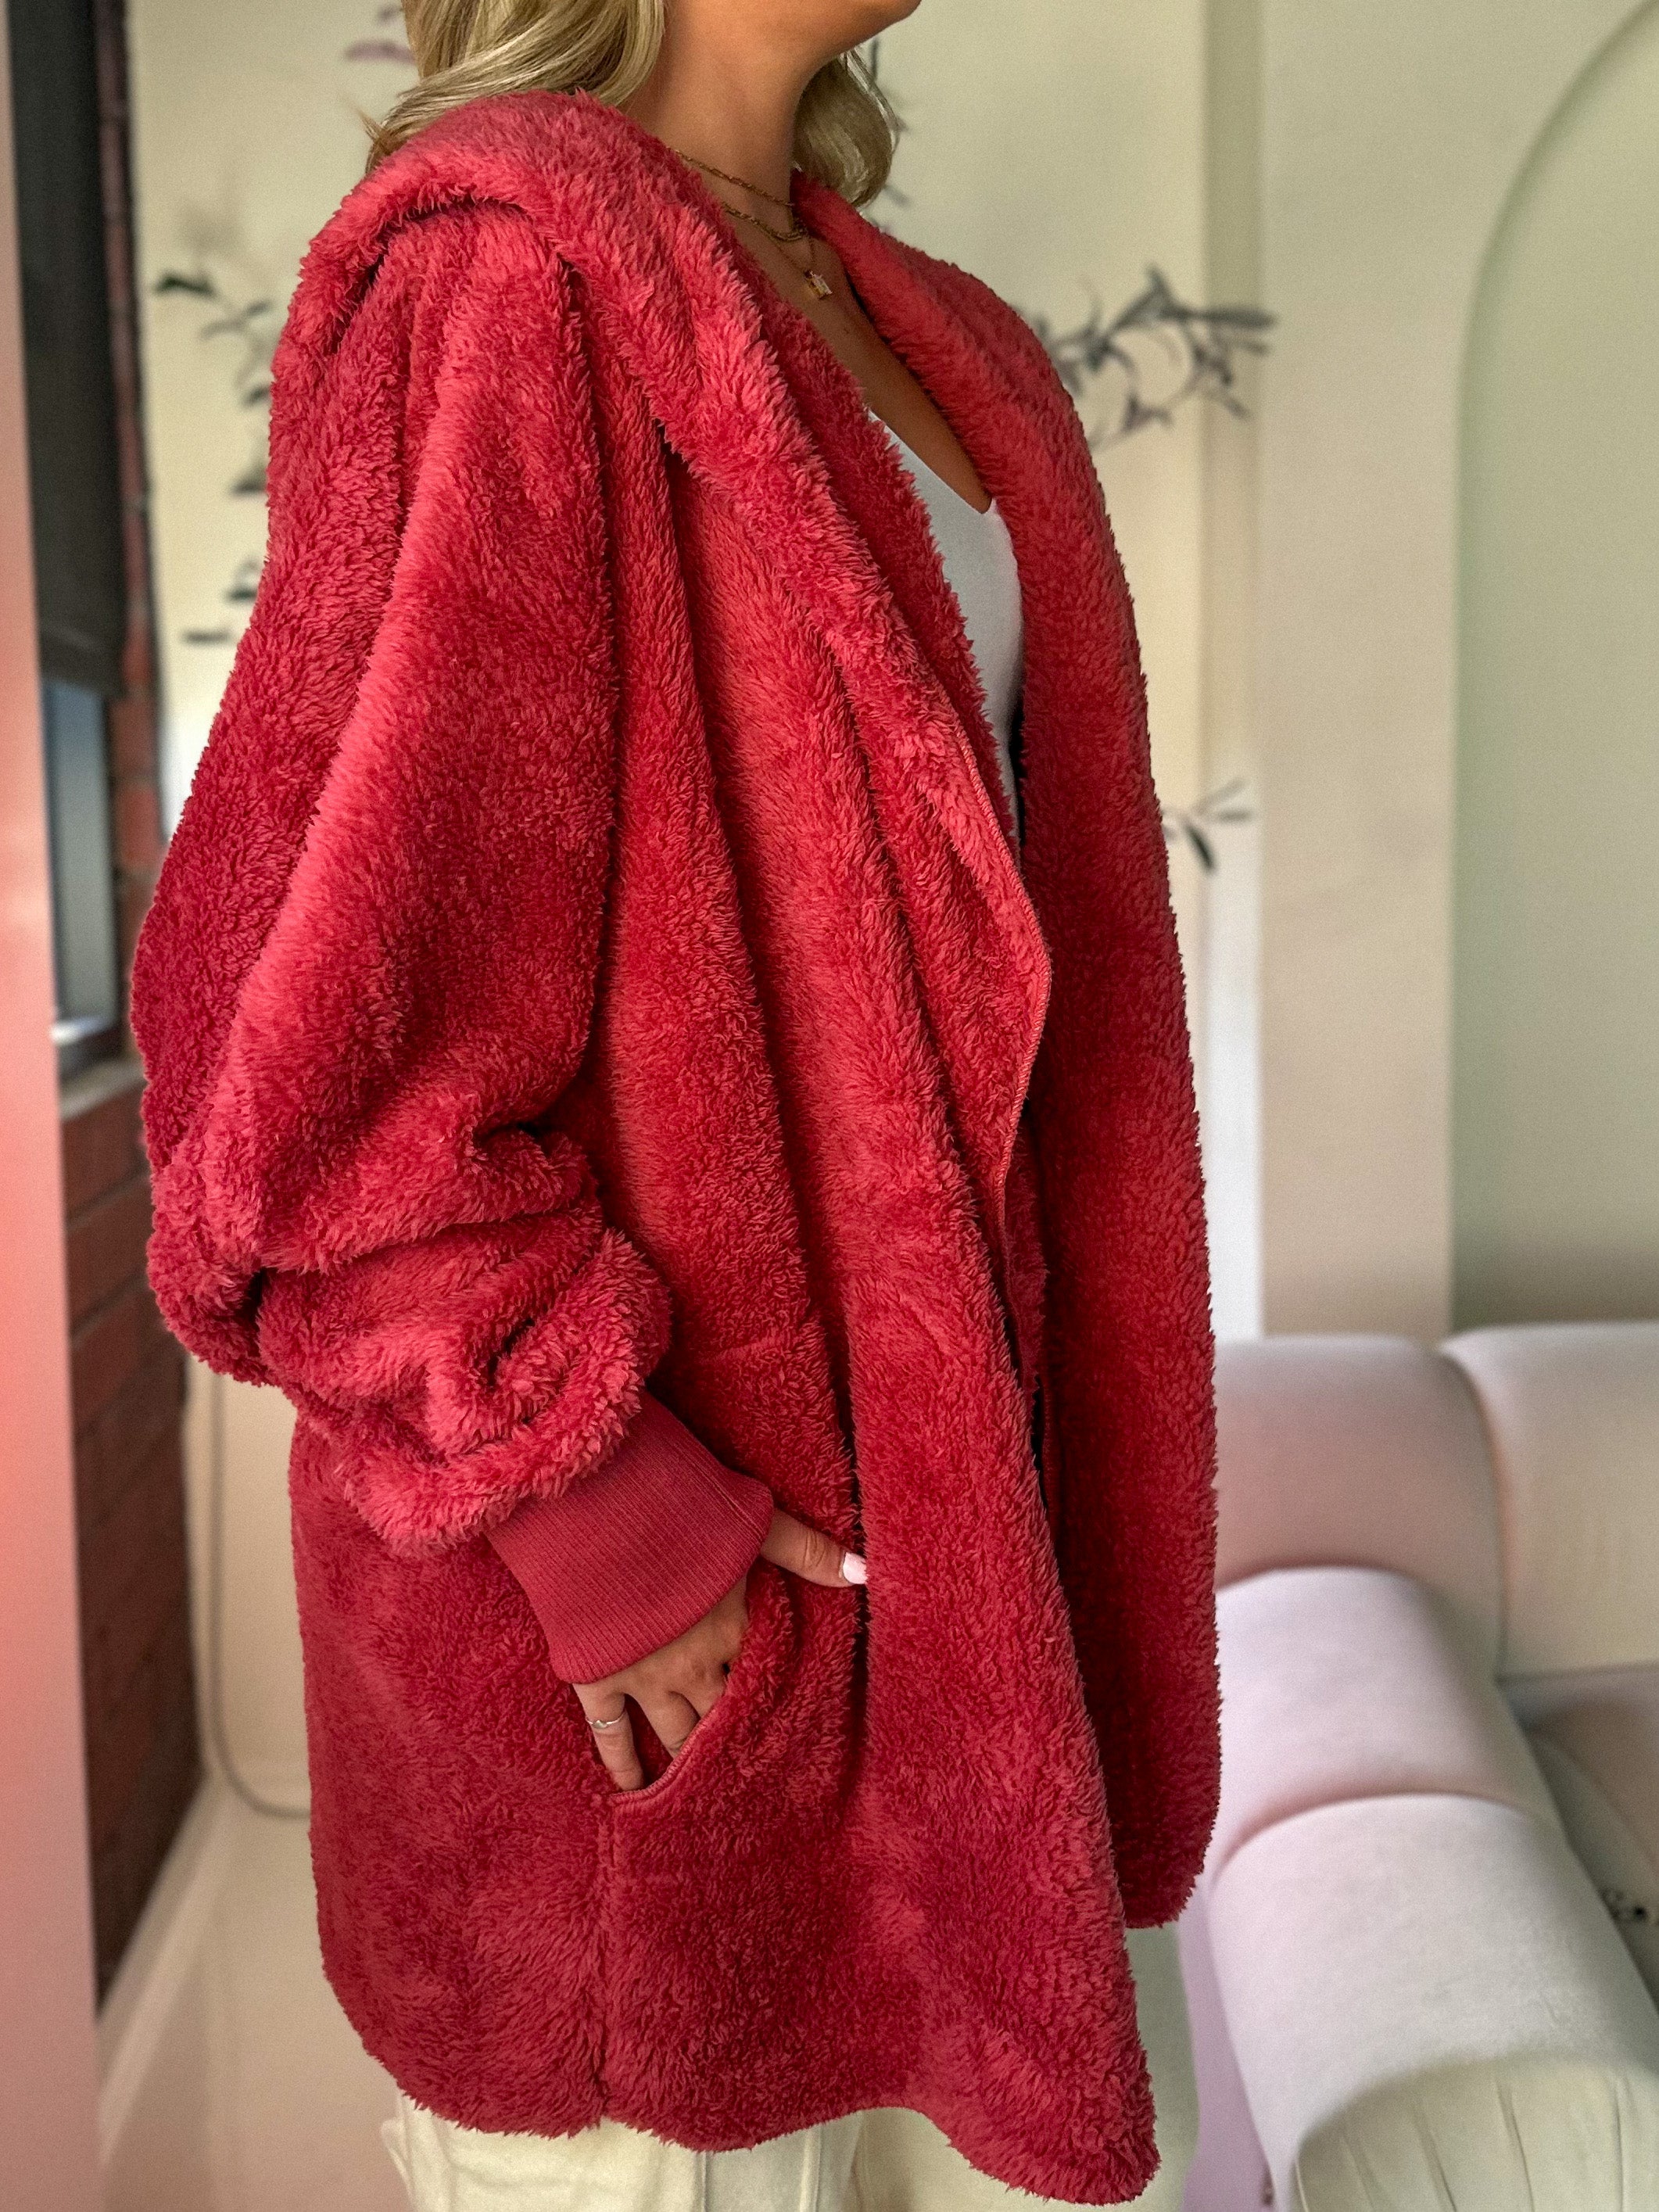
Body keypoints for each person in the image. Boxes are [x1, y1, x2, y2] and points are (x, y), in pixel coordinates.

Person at [130, 2, 1220, 2204]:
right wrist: (596, 1512)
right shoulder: (506, 273)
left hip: (963, 1633)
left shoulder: (934, 336)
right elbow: (310, 1046)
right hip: (666, 1670)